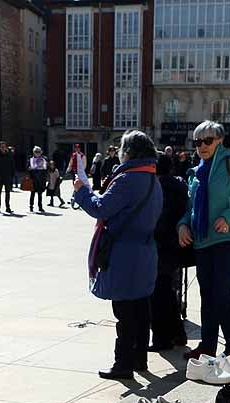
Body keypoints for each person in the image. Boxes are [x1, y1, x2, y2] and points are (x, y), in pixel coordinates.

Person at [73, 130, 163, 381]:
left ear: (128, 153)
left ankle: (123, 364)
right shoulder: (152, 178)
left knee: (124, 310)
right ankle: (139, 359)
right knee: (141, 306)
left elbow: (100, 208)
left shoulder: (127, 179)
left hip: (125, 253)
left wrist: (82, 191)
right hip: (145, 249)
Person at [177, 120, 230, 359]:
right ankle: (208, 345)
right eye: (198, 141)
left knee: (221, 292)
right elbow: (191, 207)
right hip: (203, 241)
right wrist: (182, 225)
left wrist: (229, 216)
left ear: (220, 141)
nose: (202, 146)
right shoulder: (197, 171)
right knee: (207, 294)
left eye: (207, 141)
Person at [149, 153, 189, 350]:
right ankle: (178, 334)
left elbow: (160, 221)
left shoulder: (158, 188)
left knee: (158, 294)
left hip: (160, 245)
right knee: (167, 291)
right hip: (176, 246)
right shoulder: (179, 185)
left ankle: (162, 339)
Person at [27, 146, 48, 213]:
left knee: (40, 194)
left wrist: (47, 165)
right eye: (36, 152)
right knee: (32, 193)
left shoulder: (44, 159)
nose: (37, 153)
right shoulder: (30, 159)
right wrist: (29, 168)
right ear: (33, 152)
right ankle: (31, 206)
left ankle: (40, 207)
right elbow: (27, 167)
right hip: (33, 178)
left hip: (41, 178)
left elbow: (47, 168)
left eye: (38, 152)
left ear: (41, 152)